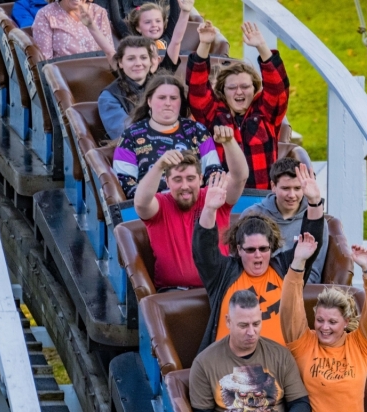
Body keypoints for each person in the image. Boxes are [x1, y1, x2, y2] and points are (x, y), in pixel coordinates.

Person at [193, 164, 324, 350]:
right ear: (239, 249)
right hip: (231, 367)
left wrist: (314, 201)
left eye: (264, 249)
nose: (258, 256)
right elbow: (203, 250)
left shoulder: (286, 268)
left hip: (280, 368)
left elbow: (312, 240)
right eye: (250, 250)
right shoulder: (223, 273)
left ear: (272, 248)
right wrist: (209, 209)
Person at [280, 234, 367, 412]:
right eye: (320, 320)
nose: (324, 327)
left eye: (333, 322)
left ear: (346, 322)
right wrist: (298, 262)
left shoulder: (360, 345)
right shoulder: (304, 343)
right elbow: (289, 307)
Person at [189, 289, 311, 412]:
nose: (251, 332)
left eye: (256, 324)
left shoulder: (280, 355)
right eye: (243, 325)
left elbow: (302, 404)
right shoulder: (204, 362)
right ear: (228, 322)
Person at [133, 125, 247, 290]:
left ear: (201, 179)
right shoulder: (161, 205)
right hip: (174, 293)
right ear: (167, 181)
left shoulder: (213, 196)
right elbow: (141, 203)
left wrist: (229, 142)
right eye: (178, 179)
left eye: (190, 178)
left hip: (220, 286)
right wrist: (159, 166)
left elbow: (240, 177)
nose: (185, 186)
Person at [188, 21, 288, 189]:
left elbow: (278, 88)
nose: (239, 92)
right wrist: (205, 44)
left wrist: (262, 47)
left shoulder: (266, 113)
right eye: (232, 87)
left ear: (254, 88)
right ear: (223, 91)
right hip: (222, 199)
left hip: (261, 198)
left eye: (245, 87)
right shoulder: (213, 114)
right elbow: (197, 88)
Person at [113, 74, 221, 198]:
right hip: (151, 208)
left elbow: (214, 172)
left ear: (181, 102)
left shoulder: (198, 130)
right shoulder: (130, 136)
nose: (168, 103)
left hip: (195, 203)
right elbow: (126, 183)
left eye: (173, 98)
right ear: (149, 101)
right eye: (162, 98)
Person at [242, 157, 327, 283]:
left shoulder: (316, 222)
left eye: (298, 188)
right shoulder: (251, 215)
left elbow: (314, 272)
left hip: (298, 289)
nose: (292, 195)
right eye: (286, 188)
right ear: (273, 186)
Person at [98, 36, 157, 141]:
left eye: (143, 57)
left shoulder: (162, 86)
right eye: (131, 59)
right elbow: (126, 135)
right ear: (120, 62)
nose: (138, 63)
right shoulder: (109, 96)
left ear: (151, 61)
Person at [31, 0, 115, 61]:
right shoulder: (45, 15)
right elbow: (45, 63)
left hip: (101, 76)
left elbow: (111, 56)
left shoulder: (99, 12)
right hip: (65, 80)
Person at [96, 0, 187, 42]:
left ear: (163, 24)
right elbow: (116, 20)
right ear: (138, 28)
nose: (154, 25)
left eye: (158, 21)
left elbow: (175, 16)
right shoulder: (133, 39)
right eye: (148, 22)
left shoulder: (168, 37)